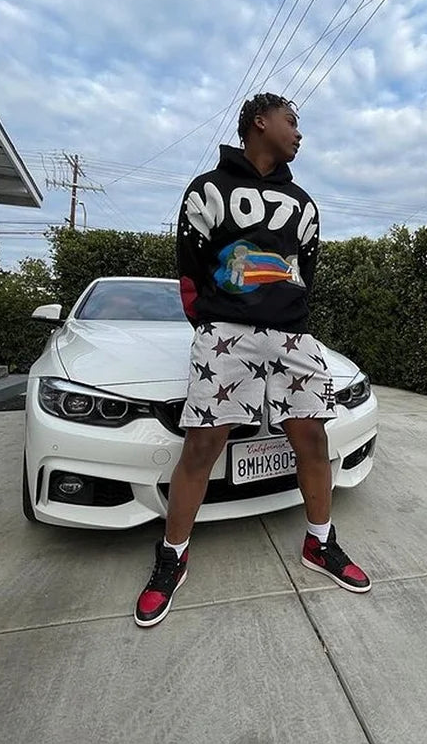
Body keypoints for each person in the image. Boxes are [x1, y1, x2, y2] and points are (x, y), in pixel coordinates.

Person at [134, 93, 371, 628]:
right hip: (224, 333)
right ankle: (172, 555)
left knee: (313, 438)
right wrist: (211, 324)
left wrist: (285, 316)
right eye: (292, 121)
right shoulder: (208, 189)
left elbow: (306, 269)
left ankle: (319, 543)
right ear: (259, 123)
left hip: (293, 335)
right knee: (202, 445)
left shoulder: (304, 203)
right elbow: (191, 267)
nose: (299, 133)